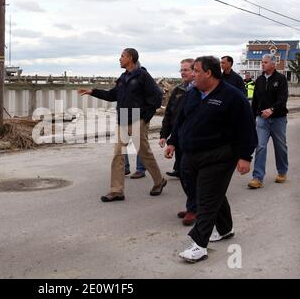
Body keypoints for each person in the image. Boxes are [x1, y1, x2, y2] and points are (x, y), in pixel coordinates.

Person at [166, 56, 257, 262]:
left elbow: (246, 127)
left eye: (196, 71)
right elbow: (181, 120)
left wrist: (245, 156)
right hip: (192, 154)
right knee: (211, 193)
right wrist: (173, 142)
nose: (192, 75)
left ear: (208, 73)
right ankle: (225, 229)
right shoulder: (192, 94)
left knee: (205, 199)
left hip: (220, 156)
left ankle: (199, 245)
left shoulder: (232, 96)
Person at [78, 48, 166, 202]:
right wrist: (93, 91)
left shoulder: (143, 76)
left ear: (130, 58)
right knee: (118, 154)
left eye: (122, 56)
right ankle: (116, 191)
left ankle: (159, 181)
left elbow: (157, 96)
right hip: (123, 117)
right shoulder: (123, 78)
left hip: (138, 118)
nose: (119, 59)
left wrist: (146, 117)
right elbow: (112, 95)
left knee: (144, 154)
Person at [160, 58, 197, 226]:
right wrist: (164, 135)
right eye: (181, 70)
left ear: (195, 71)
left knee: (192, 174)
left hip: (194, 140)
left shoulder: (199, 91)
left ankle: (195, 209)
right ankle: (192, 206)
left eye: (186, 70)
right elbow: (169, 114)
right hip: (179, 137)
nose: (183, 73)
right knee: (183, 174)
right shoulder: (178, 90)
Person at [248, 54, 289, 189]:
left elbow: (282, 99)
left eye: (265, 62)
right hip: (262, 120)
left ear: (273, 64)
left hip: (278, 120)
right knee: (260, 146)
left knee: (280, 146)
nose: (262, 64)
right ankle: (257, 177)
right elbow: (255, 101)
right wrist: (253, 117)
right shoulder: (259, 80)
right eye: (262, 62)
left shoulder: (281, 79)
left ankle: (282, 172)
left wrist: (272, 109)